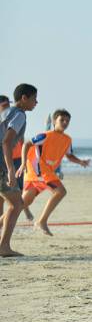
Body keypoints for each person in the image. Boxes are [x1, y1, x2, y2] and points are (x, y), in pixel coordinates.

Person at [20, 109, 90, 235]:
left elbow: (69, 155)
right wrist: (23, 162)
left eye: (67, 121)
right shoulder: (44, 135)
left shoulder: (67, 139)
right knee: (60, 191)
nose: (65, 123)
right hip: (39, 171)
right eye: (62, 120)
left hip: (41, 173)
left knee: (20, 204)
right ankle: (42, 221)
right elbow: (26, 144)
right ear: (54, 121)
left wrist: (81, 162)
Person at [0, 84, 39, 257]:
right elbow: (7, 142)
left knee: (11, 203)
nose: (36, 102)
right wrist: (10, 169)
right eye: (34, 99)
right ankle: (4, 246)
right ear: (24, 98)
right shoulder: (19, 114)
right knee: (17, 204)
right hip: (1, 164)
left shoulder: (6, 112)